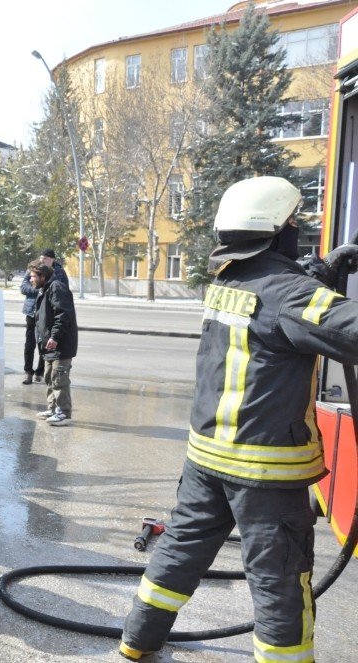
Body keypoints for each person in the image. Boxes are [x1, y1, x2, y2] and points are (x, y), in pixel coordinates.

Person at [118, 176, 358, 662]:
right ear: (277, 231)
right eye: (294, 224)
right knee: (281, 586)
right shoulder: (289, 293)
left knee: (177, 555)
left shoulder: (226, 280)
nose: (298, 230)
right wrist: (319, 284)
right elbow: (334, 325)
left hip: (206, 462)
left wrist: (319, 276)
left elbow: (272, 317)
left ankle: (135, 644)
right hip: (266, 473)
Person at [30, 259, 77, 426]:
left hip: (60, 345)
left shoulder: (57, 287)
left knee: (59, 379)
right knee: (50, 377)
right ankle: (52, 408)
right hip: (49, 345)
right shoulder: (45, 289)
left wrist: (55, 337)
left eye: (33, 276)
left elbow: (63, 315)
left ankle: (63, 413)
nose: (31, 279)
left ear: (42, 276)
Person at [20, 274, 43, 384]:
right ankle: (28, 372)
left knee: (42, 343)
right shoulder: (31, 270)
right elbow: (23, 288)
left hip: (44, 313)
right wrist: (38, 290)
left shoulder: (53, 271)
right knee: (29, 344)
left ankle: (40, 372)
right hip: (31, 313)